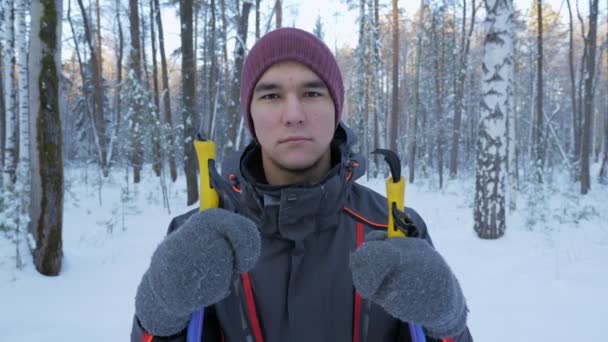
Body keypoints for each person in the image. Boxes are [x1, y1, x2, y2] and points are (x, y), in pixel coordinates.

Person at [131, 27, 473, 342]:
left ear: (335, 108)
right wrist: (159, 310)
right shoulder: (200, 234)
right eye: (270, 96)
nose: (293, 114)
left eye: (311, 92)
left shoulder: (395, 227)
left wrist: (447, 319)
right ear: (250, 114)